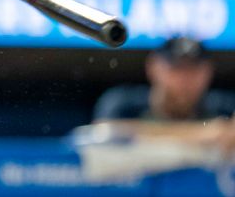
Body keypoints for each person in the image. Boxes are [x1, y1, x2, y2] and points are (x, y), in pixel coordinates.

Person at [92, 37, 235, 151]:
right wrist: (204, 134)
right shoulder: (123, 104)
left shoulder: (223, 107)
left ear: (208, 72)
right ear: (153, 67)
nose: (185, 79)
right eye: (176, 69)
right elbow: (103, 136)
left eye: (194, 70)